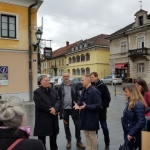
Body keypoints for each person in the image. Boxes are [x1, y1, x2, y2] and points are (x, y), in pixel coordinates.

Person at [74, 74, 102, 150]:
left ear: (88, 81)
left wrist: (86, 106)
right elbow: (80, 100)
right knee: (86, 135)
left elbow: (98, 105)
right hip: (84, 116)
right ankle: (89, 148)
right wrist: (77, 104)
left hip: (92, 118)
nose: (81, 82)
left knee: (92, 136)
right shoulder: (84, 90)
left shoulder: (94, 91)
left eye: (82, 80)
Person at [58, 72, 85, 149]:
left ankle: (79, 141)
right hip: (64, 110)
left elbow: (78, 96)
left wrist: (78, 104)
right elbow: (59, 99)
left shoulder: (74, 85)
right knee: (66, 126)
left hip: (74, 109)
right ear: (62, 77)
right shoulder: (60, 87)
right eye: (64, 76)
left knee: (77, 125)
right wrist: (59, 109)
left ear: (69, 77)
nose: (66, 77)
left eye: (67, 76)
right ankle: (69, 141)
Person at [33, 76, 60, 150]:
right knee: (42, 140)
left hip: (53, 118)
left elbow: (58, 100)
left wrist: (55, 108)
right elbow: (39, 104)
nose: (48, 82)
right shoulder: (37, 92)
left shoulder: (54, 91)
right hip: (42, 119)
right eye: (46, 80)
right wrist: (51, 109)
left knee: (53, 139)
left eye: (48, 80)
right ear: (41, 82)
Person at [122, 83, 146, 150]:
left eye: (126, 92)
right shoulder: (130, 101)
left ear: (132, 92)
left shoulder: (137, 104)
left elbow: (141, 121)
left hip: (132, 134)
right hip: (129, 132)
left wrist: (131, 133)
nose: (124, 93)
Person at [90, 72, 111, 150]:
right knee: (95, 128)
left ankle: (107, 144)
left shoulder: (103, 86)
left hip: (101, 112)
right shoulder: (91, 86)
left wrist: (102, 106)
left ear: (96, 77)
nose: (91, 79)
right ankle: (96, 142)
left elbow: (107, 98)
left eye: (92, 77)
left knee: (104, 127)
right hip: (93, 111)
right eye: (90, 77)